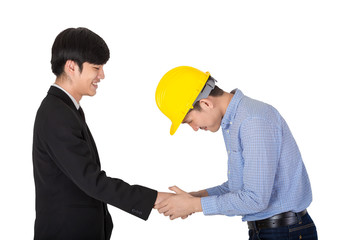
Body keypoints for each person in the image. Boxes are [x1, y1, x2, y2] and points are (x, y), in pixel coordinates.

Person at [32, 27, 171, 240]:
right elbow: (92, 181)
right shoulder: (56, 113)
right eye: (96, 67)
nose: (102, 75)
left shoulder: (65, 109)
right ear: (71, 66)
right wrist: (154, 199)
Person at [154, 66, 318, 240]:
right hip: (273, 231)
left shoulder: (252, 121)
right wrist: (192, 198)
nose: (195, 128)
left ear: (206, 103)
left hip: (284, 233)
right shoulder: (234, 121)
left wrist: (194, 205)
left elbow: (255, 199)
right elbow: (239, 187)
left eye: (190, 121)